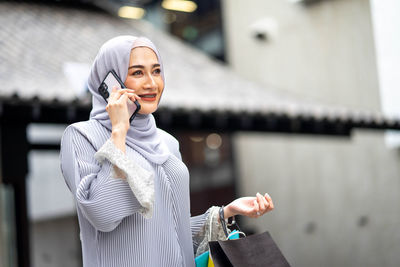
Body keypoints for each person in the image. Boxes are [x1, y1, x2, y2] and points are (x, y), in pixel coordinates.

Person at [60, 35, 274, 267]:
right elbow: (103, 214)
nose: (152, 83)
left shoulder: (167, 142)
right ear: (111, 81)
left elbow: (171, 229)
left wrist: (225, 212)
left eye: (156, 71)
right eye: (137, 72)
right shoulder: (81, 136)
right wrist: (119, 131)